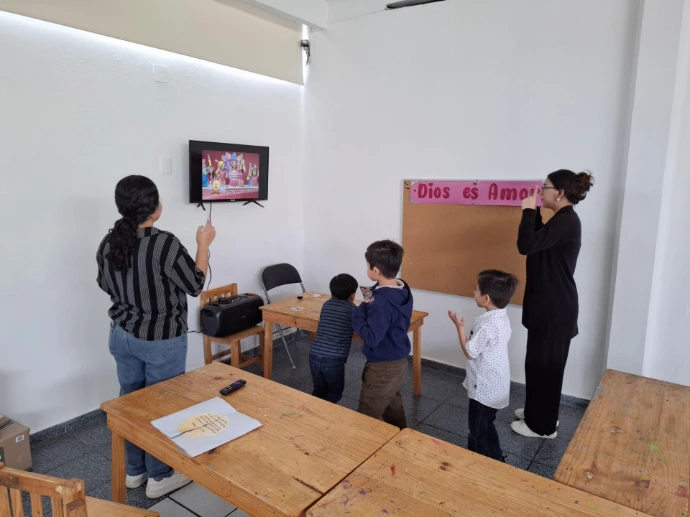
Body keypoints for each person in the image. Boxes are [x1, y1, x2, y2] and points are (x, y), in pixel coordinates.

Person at [96, 175, 216, 498]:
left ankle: (135, 472)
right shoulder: (164, 244)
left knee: (132, 403)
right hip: (161, 340)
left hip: (121, 335)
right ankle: (160, 476)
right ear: (155, 208)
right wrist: (204, 245)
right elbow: (195, 284)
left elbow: (105, 284)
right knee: (163, 406)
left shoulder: (108, 243)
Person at [511, 170, 594, 438]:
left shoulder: (566, 221)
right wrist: (534, 212)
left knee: (546, 369)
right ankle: (537, 413)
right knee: (538, 364)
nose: (540, 191)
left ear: (559, 193)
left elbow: (526, 244)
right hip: (548, 307)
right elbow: (538, 243)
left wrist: (527, 211)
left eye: (545, 187)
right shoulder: (561, 220)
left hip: (554, 310)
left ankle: (543, 427)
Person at [448, 270, 517, 461]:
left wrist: (459, 328)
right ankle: (495, 456)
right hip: (496, 385)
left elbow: (470, 352)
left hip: (484, 390)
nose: (473, 292)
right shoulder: (501, 317)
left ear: (486, 298)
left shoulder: (487, 325)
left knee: (477, 429)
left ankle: (480, 463)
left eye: (476, 289)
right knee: (487, 424)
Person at [352, 240, 413, 429]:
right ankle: (401, 438)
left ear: (376, 270)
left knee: (367, 415)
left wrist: (357, 313)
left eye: (367, 266)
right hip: (398, 358)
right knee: (393, 407)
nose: (367, 269)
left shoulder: (381, 303)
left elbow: (371, 338)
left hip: (382, 367)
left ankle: (363, 443)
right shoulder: (402, 289)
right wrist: (370, 300)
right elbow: (378, 299)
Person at [309, 274, 358, 403]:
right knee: (334, 392)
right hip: (334, 359)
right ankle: (327, 413)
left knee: (318, 390)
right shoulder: (352, 309)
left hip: (314, 355)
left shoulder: (326, 304)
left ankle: (313, 411)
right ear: (352, 295)